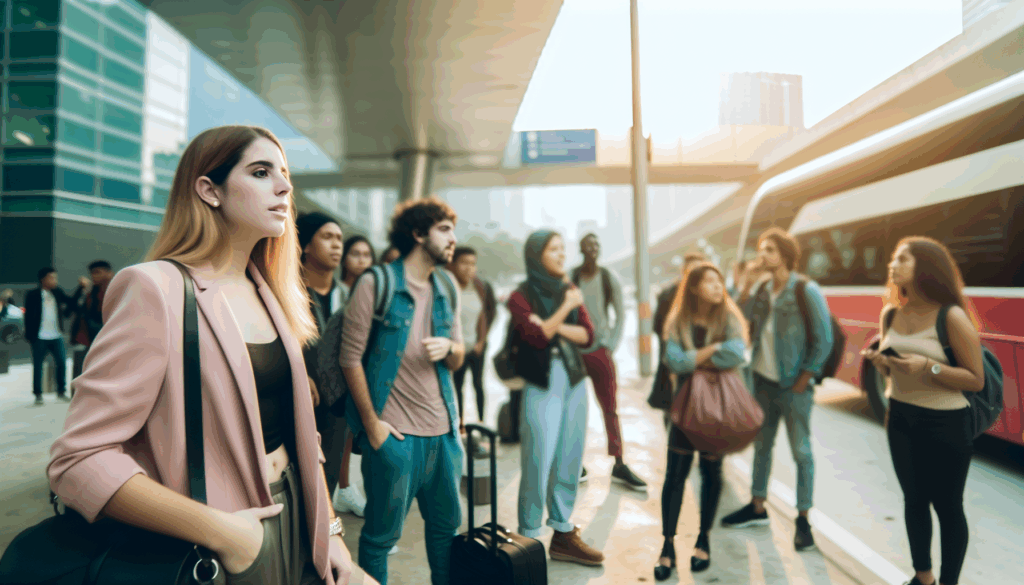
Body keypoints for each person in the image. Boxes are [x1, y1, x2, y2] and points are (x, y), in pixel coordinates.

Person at [46, 125, 371, 585]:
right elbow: (79, 459)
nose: (283, 187)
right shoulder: (155, 288)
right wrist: (227, 535)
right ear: (208, 190)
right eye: (261, 172)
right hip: (223, 537)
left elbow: (302, 435)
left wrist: (332, 532)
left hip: (301, 515)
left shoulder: (272, 294)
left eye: (285, 175)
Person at [340, 196, 465, 585]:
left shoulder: (447, 286)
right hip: (396, 437)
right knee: (380, 539)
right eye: (444, 229)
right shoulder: (376, 284)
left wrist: (450, 349)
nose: (453, 239)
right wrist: (373, 426)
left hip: (444, 435)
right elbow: (350, 359)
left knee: (446, 533)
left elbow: (459, 356)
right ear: (417, 233)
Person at [861, 237, 985, 585]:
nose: (893, 265)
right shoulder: (891, 313)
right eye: (893, 258)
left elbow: (975, 380)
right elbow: (892, 372)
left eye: (902, 259)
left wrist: (929, 368)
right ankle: (923, 577)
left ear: (925, 267)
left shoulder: (952, 316)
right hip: (899, 417)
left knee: (947, 507)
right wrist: (881, 363)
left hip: (945, 422)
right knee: (914, 499)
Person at [721, 227, 833, 553]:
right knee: (762, 447)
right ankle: (757, 506)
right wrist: (743, 285)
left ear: (784, 254)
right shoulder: (761, 289)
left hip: (793, 386)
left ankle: (803, 520)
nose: (762, 256)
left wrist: (804, 379)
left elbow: (823, 340)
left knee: (801, 452)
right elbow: (737, 319)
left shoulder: (805, 290)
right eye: (761, 249)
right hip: (763, 383)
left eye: (768, 250)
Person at [507, 230, 604, 566]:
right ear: (536, 254)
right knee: (537, 458)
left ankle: (562, 533)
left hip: (574, 380)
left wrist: (553, 323)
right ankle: (528, 536)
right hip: (541, 381)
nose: (562, 255)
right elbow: (536, 336)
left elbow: (588, 334)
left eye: (564, 249)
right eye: (553, 249)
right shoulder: (520, 296)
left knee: (569, 457)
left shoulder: (569, 289)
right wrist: (566, 310)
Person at [653, 262, 748, 580]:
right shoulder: (679, 319)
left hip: (717, 408)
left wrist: (697, 357)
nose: (717, 285)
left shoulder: (730, 317)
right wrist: (713, 349)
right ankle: (667, 544)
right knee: (675, 474)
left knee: (711, 472)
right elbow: (675, 362)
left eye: (719, 280)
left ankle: (703, 538)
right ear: (694, 288)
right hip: (684, 407)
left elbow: (736, 354)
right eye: (708, 281)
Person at [296, 212, 371, 526]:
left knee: (325, 478)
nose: (336, 245)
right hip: (299, 400)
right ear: (305, 246)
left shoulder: (350, 296)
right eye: (327, 237)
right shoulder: (287, 292)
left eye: (339, 238)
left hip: (338, 404)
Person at [571, 233, 646, 490]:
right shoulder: (572, 278)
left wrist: (610, 344)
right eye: (588, 245)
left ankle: (619, 463)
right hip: (576, 354)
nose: (592, 249)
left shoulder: (607, 277)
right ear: (581, 249)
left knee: (610, 408)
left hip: (600, 352)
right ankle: (574, 464)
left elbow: (621, 314)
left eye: (596, 245)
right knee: (574, 410)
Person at [446, 246, 497, 457]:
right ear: (453, 264)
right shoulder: (448, 287)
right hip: (457, 349)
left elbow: (488, 313)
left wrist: (482, 341)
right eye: (464, 263)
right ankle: (460, 426)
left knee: (478, 385)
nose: (469, 268)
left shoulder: (481, 287)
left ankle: (482, 423)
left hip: (477, 347)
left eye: (472, 263)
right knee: (456, 388)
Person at [649, 252, 708, 419]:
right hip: (674, 364)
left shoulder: (710, 296)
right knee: (673, 415)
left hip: (701, 365)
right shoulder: (668, 295)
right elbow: (659, 328)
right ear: (683, 271)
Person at [24, 267, 86, 405]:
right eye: (52, 278)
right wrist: (29, 336)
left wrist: (80, 288)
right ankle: (38, 394)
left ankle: (60, 391)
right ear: (43, 279)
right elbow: (28, 317)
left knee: (62, 363)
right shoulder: (32, 294)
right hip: (39, 336)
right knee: (38, 366)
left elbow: (71, 302)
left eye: (55, 278)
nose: (55, 280)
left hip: (56, 335)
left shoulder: (57, 292)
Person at [69, 260, 115, 381]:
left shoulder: (115, 291)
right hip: (85, 339)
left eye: (98, 272)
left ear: (109, 273)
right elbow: (70, 309)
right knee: (80, 374)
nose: (94, 276)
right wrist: (81, 289)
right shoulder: (90, 293)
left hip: (107, 341)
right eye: (92, 273)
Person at [340, 236, 377, 300]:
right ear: (343, 258)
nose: (362, 261)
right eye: (355, 254)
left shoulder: (376, 295)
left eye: (366, 255)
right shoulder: (335, 291)